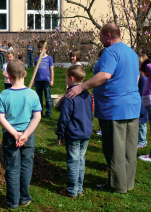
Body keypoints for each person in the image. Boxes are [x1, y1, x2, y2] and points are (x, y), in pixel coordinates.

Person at [66, 23, 141, 194]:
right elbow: (136, 77)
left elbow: (105, 75)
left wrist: (82, 87)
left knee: (114, 148)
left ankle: (116, 185)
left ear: (108, 35)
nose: (99, 40)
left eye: (100, 36)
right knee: (129, 148)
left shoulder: (110, 52)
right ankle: (127, 182)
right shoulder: (132, 53)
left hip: (114, 108)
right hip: (132, 106)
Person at [0, 59, 42, 209]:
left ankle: (12, 201)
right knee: (26, 166)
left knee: (12, 168)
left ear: (8, 75)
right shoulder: (32, 94)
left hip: (10, 136)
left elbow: (0, 117)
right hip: (28, 136)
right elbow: (37, 116)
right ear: (25, 74)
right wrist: (25, 134)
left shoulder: (4, 94)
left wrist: (15, 134)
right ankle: (24, 198)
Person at [56, 65, 93, 198]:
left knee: (73, 162)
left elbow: (64, 118)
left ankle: (72, 190)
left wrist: (60, 133)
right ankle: (79, 189)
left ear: (71, 78)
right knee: (81, 160)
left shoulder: (69, 96)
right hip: (85, 133)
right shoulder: (87, 95)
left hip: (74, 134)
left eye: (66, 78)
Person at [34, 41, 54, 118]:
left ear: (46, 49)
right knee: (39, 97)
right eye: (38, 49)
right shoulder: (36, 59)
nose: (40, 51)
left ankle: (48, 112)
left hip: (46, 80)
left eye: (41, 49)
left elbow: (51, 69)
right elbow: (35, 70)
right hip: (38, 80)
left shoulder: (49, 58)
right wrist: (33, 80)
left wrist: (52, 80)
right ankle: (40, 112)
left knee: (48, 97)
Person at [137, 54, 149, 149]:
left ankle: (142, 141)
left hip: (142, 102)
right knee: (139, 122)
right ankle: (139, 140)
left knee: (142, 123)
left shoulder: (143, 78)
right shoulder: (141, 76)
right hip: (140, 101)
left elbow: (142, 91)